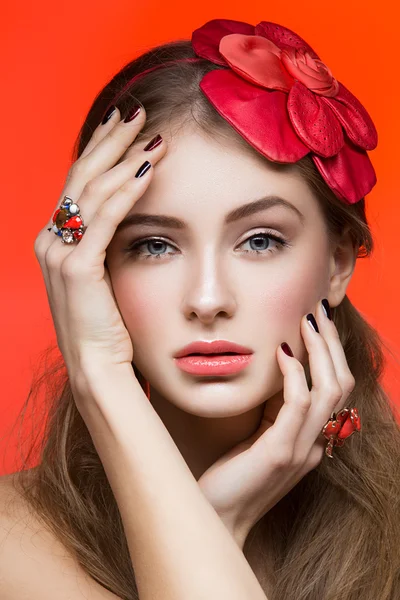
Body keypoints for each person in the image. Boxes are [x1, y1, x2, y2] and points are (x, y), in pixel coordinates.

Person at [0, 17, 399, 600]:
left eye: (260, 240)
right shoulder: (11, 549)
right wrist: (98, 373)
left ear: (338, 263)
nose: (207, 300)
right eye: (154, 245)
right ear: (93, 265)